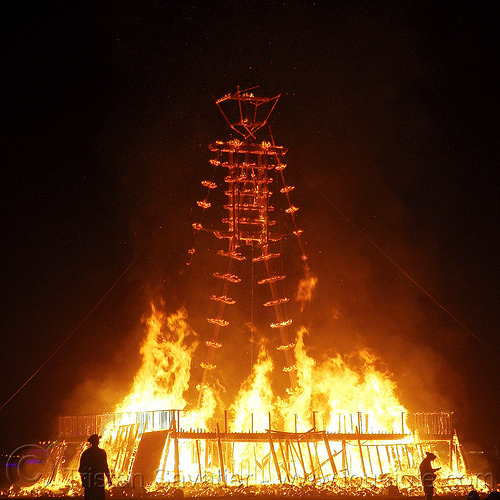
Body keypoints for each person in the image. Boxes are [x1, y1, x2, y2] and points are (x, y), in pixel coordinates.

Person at [79, 434, 112, 500]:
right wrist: (108, 479)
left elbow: (81, 469)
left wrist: (83, 480)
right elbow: (105, 467)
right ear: (98, 442)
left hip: (89, 480)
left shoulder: (86, 453)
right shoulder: (102, 453)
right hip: (99, 480)